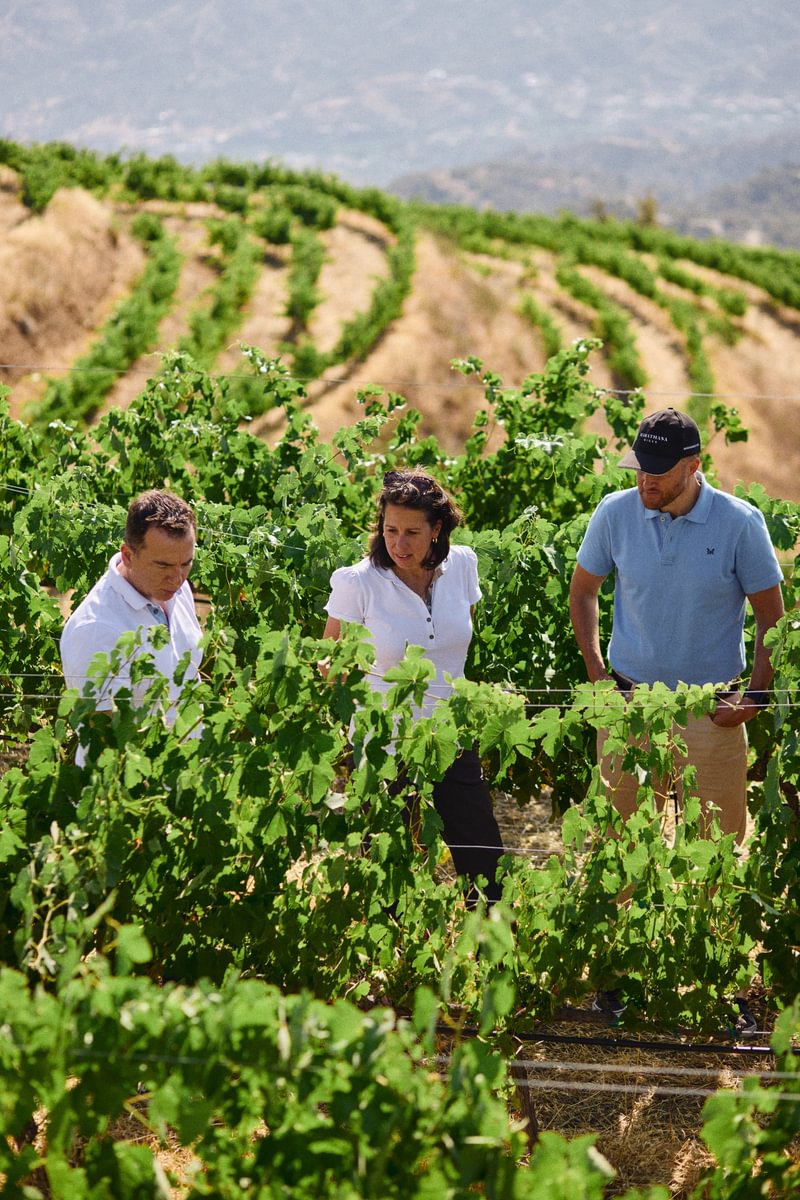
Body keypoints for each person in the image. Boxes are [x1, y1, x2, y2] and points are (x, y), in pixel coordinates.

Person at [569, 407, 785, 1030]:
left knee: (715, 852)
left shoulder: (741, 525)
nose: (646, 483)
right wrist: (595, 672)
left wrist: (757, 695)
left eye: (660, 473)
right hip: (631, 704)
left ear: (694, 467)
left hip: (710, 712)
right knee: (620, 845)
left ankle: (719, 980)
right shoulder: (615, 513)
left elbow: (774, 618)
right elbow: (583, 590)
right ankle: (619, 977)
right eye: (640, 470)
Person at [323, 469, 505, 905]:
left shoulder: (462, 565)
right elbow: (332, 663)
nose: (398, 544)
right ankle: (397, 964)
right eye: (389, 530)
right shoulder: (357, 583)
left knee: (484, 857)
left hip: (450, 738)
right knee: (388, 870)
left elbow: (455, 641)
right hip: (384, 746)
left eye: (411, 532)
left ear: (437, 529)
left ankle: (493, 956)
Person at [61, 489, 202, 765]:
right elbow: (106, 746)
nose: (177, 577)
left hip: (185, 781)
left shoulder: (175, 590)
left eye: (186, 564)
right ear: (127, 555)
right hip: (132, 797)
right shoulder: (96, 629)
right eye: (162, 565)